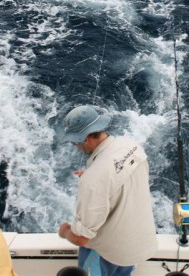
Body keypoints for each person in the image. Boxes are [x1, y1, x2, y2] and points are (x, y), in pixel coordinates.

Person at [58, 105, 158, 276]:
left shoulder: (93, 180)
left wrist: (66, 231)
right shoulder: (131, 145)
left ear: (86, 138)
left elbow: (82, 238)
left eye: (75, 141)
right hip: (137, 248)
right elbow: (119, 177)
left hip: (108, 255)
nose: (76, 146)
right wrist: (94, 177)